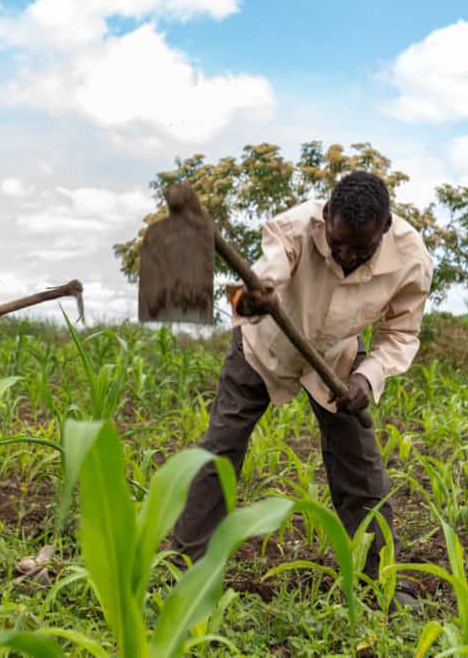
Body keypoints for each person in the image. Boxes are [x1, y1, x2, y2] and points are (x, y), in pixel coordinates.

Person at [171, 171, 433, 609]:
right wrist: (252, 299)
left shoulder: (411, 259)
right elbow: (260, 278)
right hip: (263, 348)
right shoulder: (292, 227)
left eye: (361, 250)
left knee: (361, 466)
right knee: (220, 449)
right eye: (338, 243)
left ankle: (380, 578)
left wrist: (368, 377)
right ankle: (185, 570)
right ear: (325, 216)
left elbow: (402, 332)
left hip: (336, 360)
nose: (346, 256)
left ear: (385, 230)